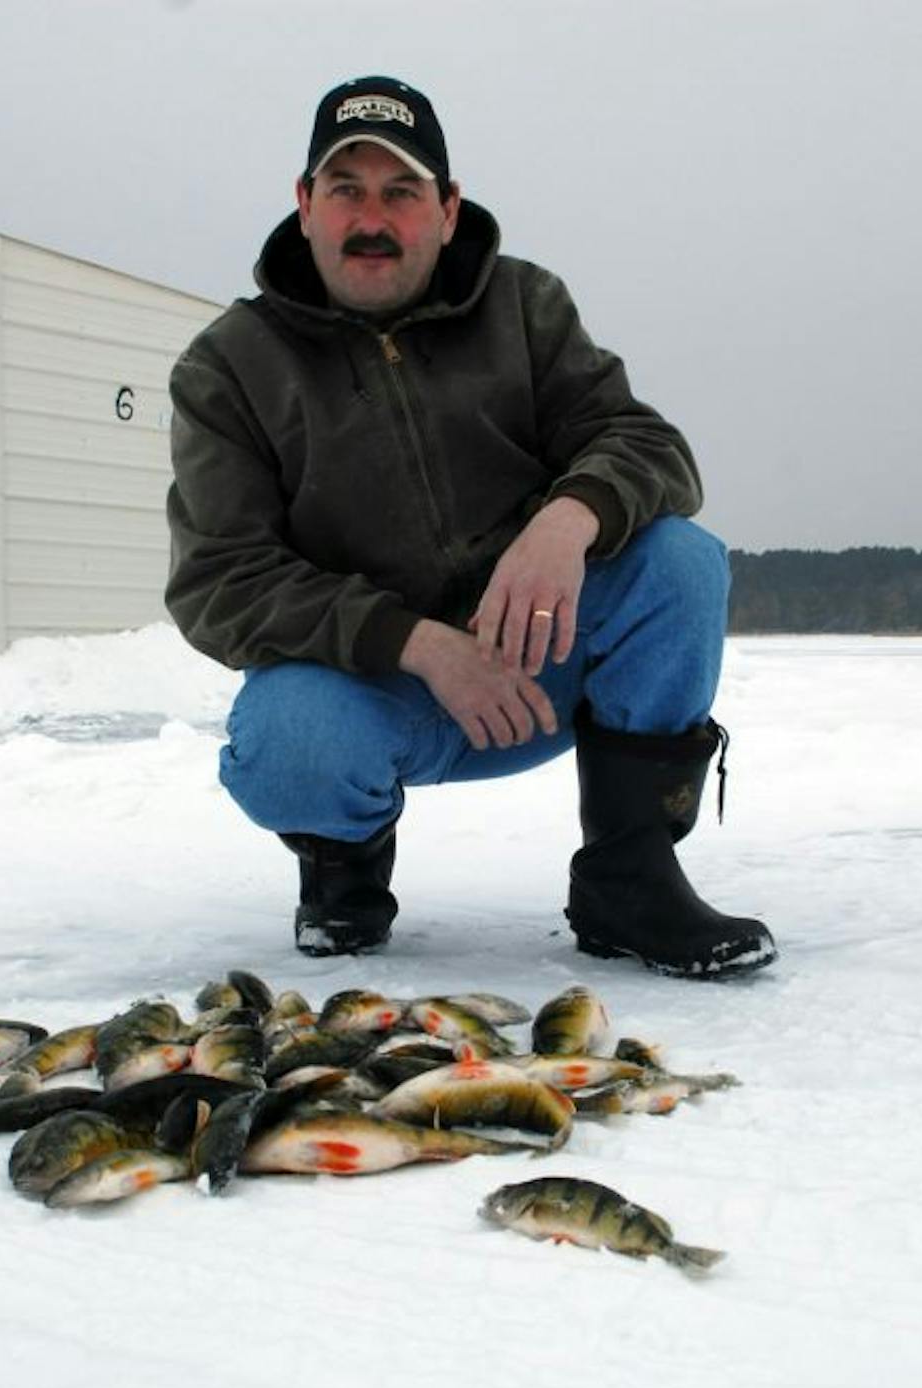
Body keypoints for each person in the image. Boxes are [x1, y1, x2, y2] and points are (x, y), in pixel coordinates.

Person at [164, 75, 775, 978]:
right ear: (304, 206)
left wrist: (568, 519)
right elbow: (221, 582)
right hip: (376, 697)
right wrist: (415, 643)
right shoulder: (230, 366)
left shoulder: (524, 307)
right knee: (288, 736)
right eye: (346, 190)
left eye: (402, 192)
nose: (372, 218)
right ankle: (345, 871)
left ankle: (627, 877)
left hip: (539, 667)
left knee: (680, 563)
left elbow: (647, 444)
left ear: (448, 209)